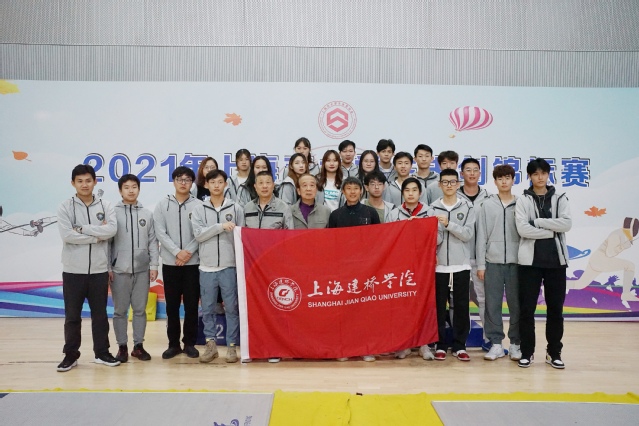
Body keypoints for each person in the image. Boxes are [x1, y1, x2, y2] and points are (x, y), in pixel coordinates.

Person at [56, 164, 119, 372]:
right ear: (73, 183)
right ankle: (70, 355)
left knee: (100, 316)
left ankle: (102, 353)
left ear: (95, 182)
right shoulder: (65, 207)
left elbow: (111, 230)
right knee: (72, 317)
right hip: (73, 271)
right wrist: (96, 236)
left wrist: (82, 229)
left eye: (88, 180)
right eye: (80, 181)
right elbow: (68, 235)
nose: (84, 185)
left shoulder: (105, 205)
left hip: (99, 271)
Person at [515, 158, 572, 369]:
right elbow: (523, 229)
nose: (540, 177)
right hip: (529, 263)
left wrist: (538, 222)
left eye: (543, 173)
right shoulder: (523, 200)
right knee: (527, 310)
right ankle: (527, 352)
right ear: (529, 176)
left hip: (556, 263)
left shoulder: (560, 197)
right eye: (535, 174)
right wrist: (550, 231)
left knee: (555, 310)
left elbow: (566, 224)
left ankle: (554, 352)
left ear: (548, 175)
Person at [191, 170, 244, 364]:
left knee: (231, 308)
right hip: (206, 267)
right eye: (212, 182)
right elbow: (199, 235)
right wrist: (220, 227)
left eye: (220, 182)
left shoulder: (236, 208)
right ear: (206, 185)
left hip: (229, 266)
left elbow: (241, 235)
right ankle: (210, 345)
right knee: (208, 309)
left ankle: (231, 346)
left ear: (225, 185)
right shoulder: (199, 209)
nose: (216, 185)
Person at [243, 170, 294, 363]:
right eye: (260, 183)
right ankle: (252, 349)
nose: (264, 186)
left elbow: (289, 237)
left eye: (268, 182)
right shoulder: (247, 208)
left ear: (274, 185)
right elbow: (241, 236)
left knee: (275, 309)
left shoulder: (283, 207)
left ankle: (274, 348)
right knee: (253, 309)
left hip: (274, 268)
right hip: (252, 268)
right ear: (255, 187)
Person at [329, 176, 380, 362]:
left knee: (365, 311)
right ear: (343, 192)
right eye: (348, 188)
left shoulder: (370, 213)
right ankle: (344, 349)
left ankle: (366, 348)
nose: (352, 192)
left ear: (361, 191)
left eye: (355, 188)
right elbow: (331, 243)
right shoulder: (335, 215)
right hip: (343, 270)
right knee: (344, 311)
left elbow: (379, 240)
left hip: (366, 270)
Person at [109, 174, 159, 363]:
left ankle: (138, 346)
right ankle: (122, 346)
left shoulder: (147, 214)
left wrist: (154, 265)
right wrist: (108, 267)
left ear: (139, 189)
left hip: (142, 270)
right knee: (120, 311)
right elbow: (107, 243)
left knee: (140, 310)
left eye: (134, 187)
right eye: (126, 187)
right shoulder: (112, 213)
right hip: (119, 270)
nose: (131, 190)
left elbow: (153, 241)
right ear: (120, 191)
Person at [153, 166, 202, 360]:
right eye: (180, 179)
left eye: (187, 179)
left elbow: (201, 233)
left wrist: (187, 253)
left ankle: (189, 343)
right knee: (171, 307)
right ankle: (173, 344)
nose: (183, 183)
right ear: (173, 181)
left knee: (191, 305)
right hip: (170, 263)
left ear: (192, 183)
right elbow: (160, 232)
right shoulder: (162, 205)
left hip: (192, 263)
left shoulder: (199, 205)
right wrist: (176, 252)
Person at [427, 169, 475, 362]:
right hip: (439, 267)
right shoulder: (432, 208)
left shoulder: (467, 206)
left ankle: (460, 345)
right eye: (445, 182)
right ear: (439, 184)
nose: (449, 185)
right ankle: (440, 344)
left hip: (461, 265)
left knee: (461, 306)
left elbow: (468, 234)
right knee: (438, 307)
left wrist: (448, 224)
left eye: (452, 182)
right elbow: (433, 239)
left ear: (458, 184)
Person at [475, 165, 521, 361]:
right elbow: (481, 236)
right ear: (494, 181)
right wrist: (481, 264)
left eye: (507, 178)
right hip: (492, 262)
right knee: (492, 304)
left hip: (517, 263)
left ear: (513, 180)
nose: (504, 181)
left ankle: (516, 344)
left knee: (516, 305)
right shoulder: (487, 205)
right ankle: (495, 344)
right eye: (500, 178)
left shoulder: (521, 203)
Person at [394, 177, 434, 361]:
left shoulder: (429, 212)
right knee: (403, 305)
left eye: (414, 190)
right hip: (402, 265)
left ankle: (424, 344)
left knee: (424, 304)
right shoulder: (394, 213)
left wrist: (420, 227)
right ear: (402, 193)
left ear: (420, 193)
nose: (410, 194)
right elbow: (388, 239)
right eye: (407, 190)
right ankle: (405, 344)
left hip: (424, 265)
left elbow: (438, 238)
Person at [457, 158, 492, 351]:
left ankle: (489, 338)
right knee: (458, 301)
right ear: (461, 173)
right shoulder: (453, 197)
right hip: (458, 256)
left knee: (484, 299)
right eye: (468, 170)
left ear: (480, 173)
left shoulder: (489, 198)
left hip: (481, 258)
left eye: (475, 170)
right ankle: (458, 342)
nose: (471, 173)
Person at [570, 217, 638, 301]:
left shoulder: (623, 234)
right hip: (601, 260)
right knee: (630, 265)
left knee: (579, 284)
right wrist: (623, 246)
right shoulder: (616, 235)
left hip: (596, 260)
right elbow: (609, 253)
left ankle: (556, 285)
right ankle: (626, 294)